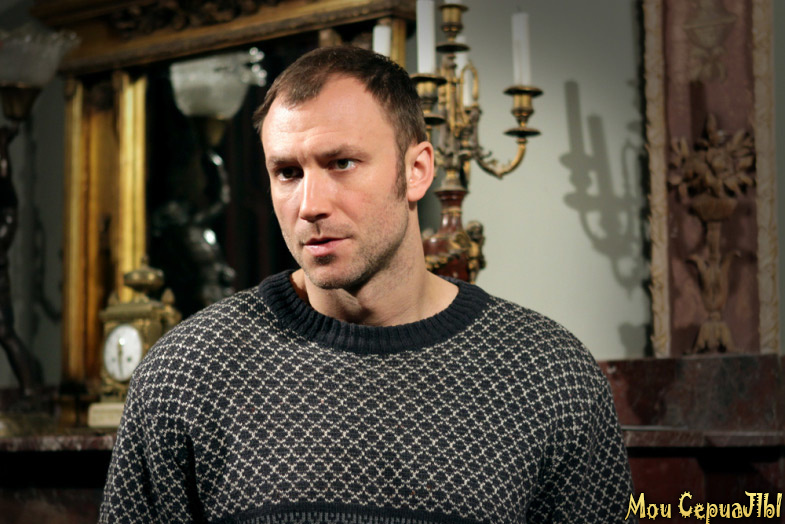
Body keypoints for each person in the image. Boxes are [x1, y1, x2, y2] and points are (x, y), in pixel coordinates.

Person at [100, 45, 635, 523]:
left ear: (417, 171)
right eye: (288, 173)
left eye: (342, 163)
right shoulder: (187, 373)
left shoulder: (548, 375)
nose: (310, 206)